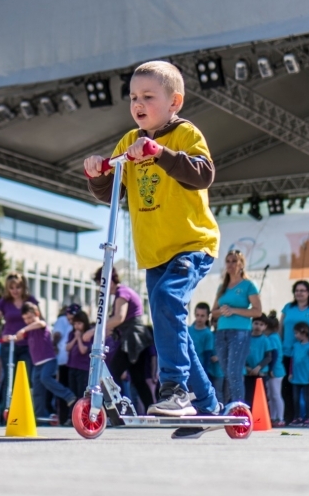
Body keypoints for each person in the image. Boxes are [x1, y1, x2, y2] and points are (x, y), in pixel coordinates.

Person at [85, 60, 221, 419]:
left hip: (191, 244)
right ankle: (208, 405)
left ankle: (175, 389)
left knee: (166, 301)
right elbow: (112, 190)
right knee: (168, 322)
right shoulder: (129, 141)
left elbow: (203, 174)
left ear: (174, 101)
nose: (138, 104)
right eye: (133, 97)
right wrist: (98, 173)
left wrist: (159, 153)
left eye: (148, 96)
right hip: (154, 253)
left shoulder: (185, 134)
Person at [92, 267, 155, 413]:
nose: (101, 289)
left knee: (112, 374)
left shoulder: (122, 292)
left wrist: (95, 330)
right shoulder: (122, 293)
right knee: (138, 379)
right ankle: (150, 409)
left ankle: (115, 410)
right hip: (135, 338)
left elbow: (119, 318)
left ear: (109, 282)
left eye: (101, 284)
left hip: (133, 339)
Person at [212, 250, 262, 403]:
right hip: (221, 332)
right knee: (227, 372)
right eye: (228, 261)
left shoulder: (248, 285)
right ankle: (231, 405)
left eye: (234, 261)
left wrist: (233, 310)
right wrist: (222, 311)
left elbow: (257, 311)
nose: (231, 264)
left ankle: (239, 407)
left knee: (234, 372)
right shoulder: (222, 287)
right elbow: (213, 312)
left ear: (241, 264)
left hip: (240, 332)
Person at [12, 302, 76, 418]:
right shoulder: (29, 331)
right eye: (25, 319)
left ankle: (68, 395)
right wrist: (11, 337)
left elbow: (40, 323)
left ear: (37, 313)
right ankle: (38, 415)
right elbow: (19, 337)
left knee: (45, 378)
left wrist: (24, 329)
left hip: (49, 361)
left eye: (30, 317)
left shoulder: (41, 325)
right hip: (37, 365)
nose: (28, 321)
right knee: (37, 390)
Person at [280, 280, 309, 422]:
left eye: (302, 290)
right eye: (297, 290)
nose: (299, 293)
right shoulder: (288, 307)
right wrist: (278, 344)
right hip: (288, 353)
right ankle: (291, 417)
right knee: (287, 387)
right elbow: (280, 328)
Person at [0, 273, 38, 403]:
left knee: (26, 377)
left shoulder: (30, 300)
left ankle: (24, 408)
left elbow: (40, 321)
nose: (15, 290)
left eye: (18, 287)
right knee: (10, 379)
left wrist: (24, 331)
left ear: (23, 287)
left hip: (28, 345)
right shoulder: (4, 302)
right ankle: (7, 408)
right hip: (9, 345)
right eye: (11, 288)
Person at [288, 322, 309, 427]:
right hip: (296, 377)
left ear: (304, 333)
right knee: (295, 398)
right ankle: (297, 417)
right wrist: (290, 373)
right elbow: (292, 360)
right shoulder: (295, 345)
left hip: (306, 377)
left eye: (297, 333)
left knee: (307, 398)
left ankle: (308, 418)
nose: (295, 335)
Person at [189, 303, 219, 401]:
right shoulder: (188, 330)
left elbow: (207, 355)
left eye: (202, 316)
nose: (199, 318)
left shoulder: (208, 334)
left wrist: (204, 374)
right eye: (197, 315)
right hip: (187, 369)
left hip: (199, 369)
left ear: (207, 317)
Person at [53, 302, 77, 425]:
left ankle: (70, 417)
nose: (71, 320)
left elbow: (57, 335)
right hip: (64, 360)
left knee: (72, 389)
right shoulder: (63, 320)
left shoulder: (75, 323)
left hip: (71, 361)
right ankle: (64, 418)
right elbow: (57, 335)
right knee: (66, 390)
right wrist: (54, 346)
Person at [243, 316, 272, 409]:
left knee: (261, 397)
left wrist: (258, 367)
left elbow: (268, 357)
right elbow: (241, 354)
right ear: (251, 324)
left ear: (265, 327)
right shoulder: (246, 339)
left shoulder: (265, 340)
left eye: (261, 324)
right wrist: (246, 367)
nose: (258, 326)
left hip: (260, 373)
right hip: (248, 372)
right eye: (256, 323)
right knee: (248, 396)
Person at [66, 310, 93, 401]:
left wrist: (79, 338)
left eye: (79, 323)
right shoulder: (71, 334)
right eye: (75, 324)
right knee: (73, 393)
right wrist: (75, 338)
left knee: (81, 392)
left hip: (83, 368)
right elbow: (67, 348)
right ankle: (73, 409)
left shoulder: (88, 335)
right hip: (72, 366)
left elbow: (83, 350)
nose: (77, 326)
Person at [265, 315, 285, 427]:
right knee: (272, 395)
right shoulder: (275, 336)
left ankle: (280, 418)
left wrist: (271, 369)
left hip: (275, 371)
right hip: (276, 370)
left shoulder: (272, 338)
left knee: (276, 395)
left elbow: (274, 354)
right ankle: (273, 417)